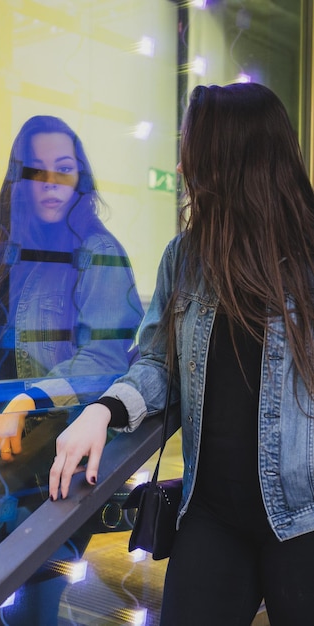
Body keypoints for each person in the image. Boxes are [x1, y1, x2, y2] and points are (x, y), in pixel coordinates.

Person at [49, 83, 314, 626]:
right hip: (211, 516)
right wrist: (103, 409)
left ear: (230, 156)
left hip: (305, 517)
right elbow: (156, 363)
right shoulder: (186, 257)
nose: (181, 162)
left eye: (192, 146)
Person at [0, 115, 143, 624]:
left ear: (79, 176)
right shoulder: (16, 253)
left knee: (29, 606)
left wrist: (27, 400)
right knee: (14, 607)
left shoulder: (97, 251)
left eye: (63, 169)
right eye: (36, 171)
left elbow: (106, 358)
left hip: (56, 461)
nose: (50, 183)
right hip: (3, 460)